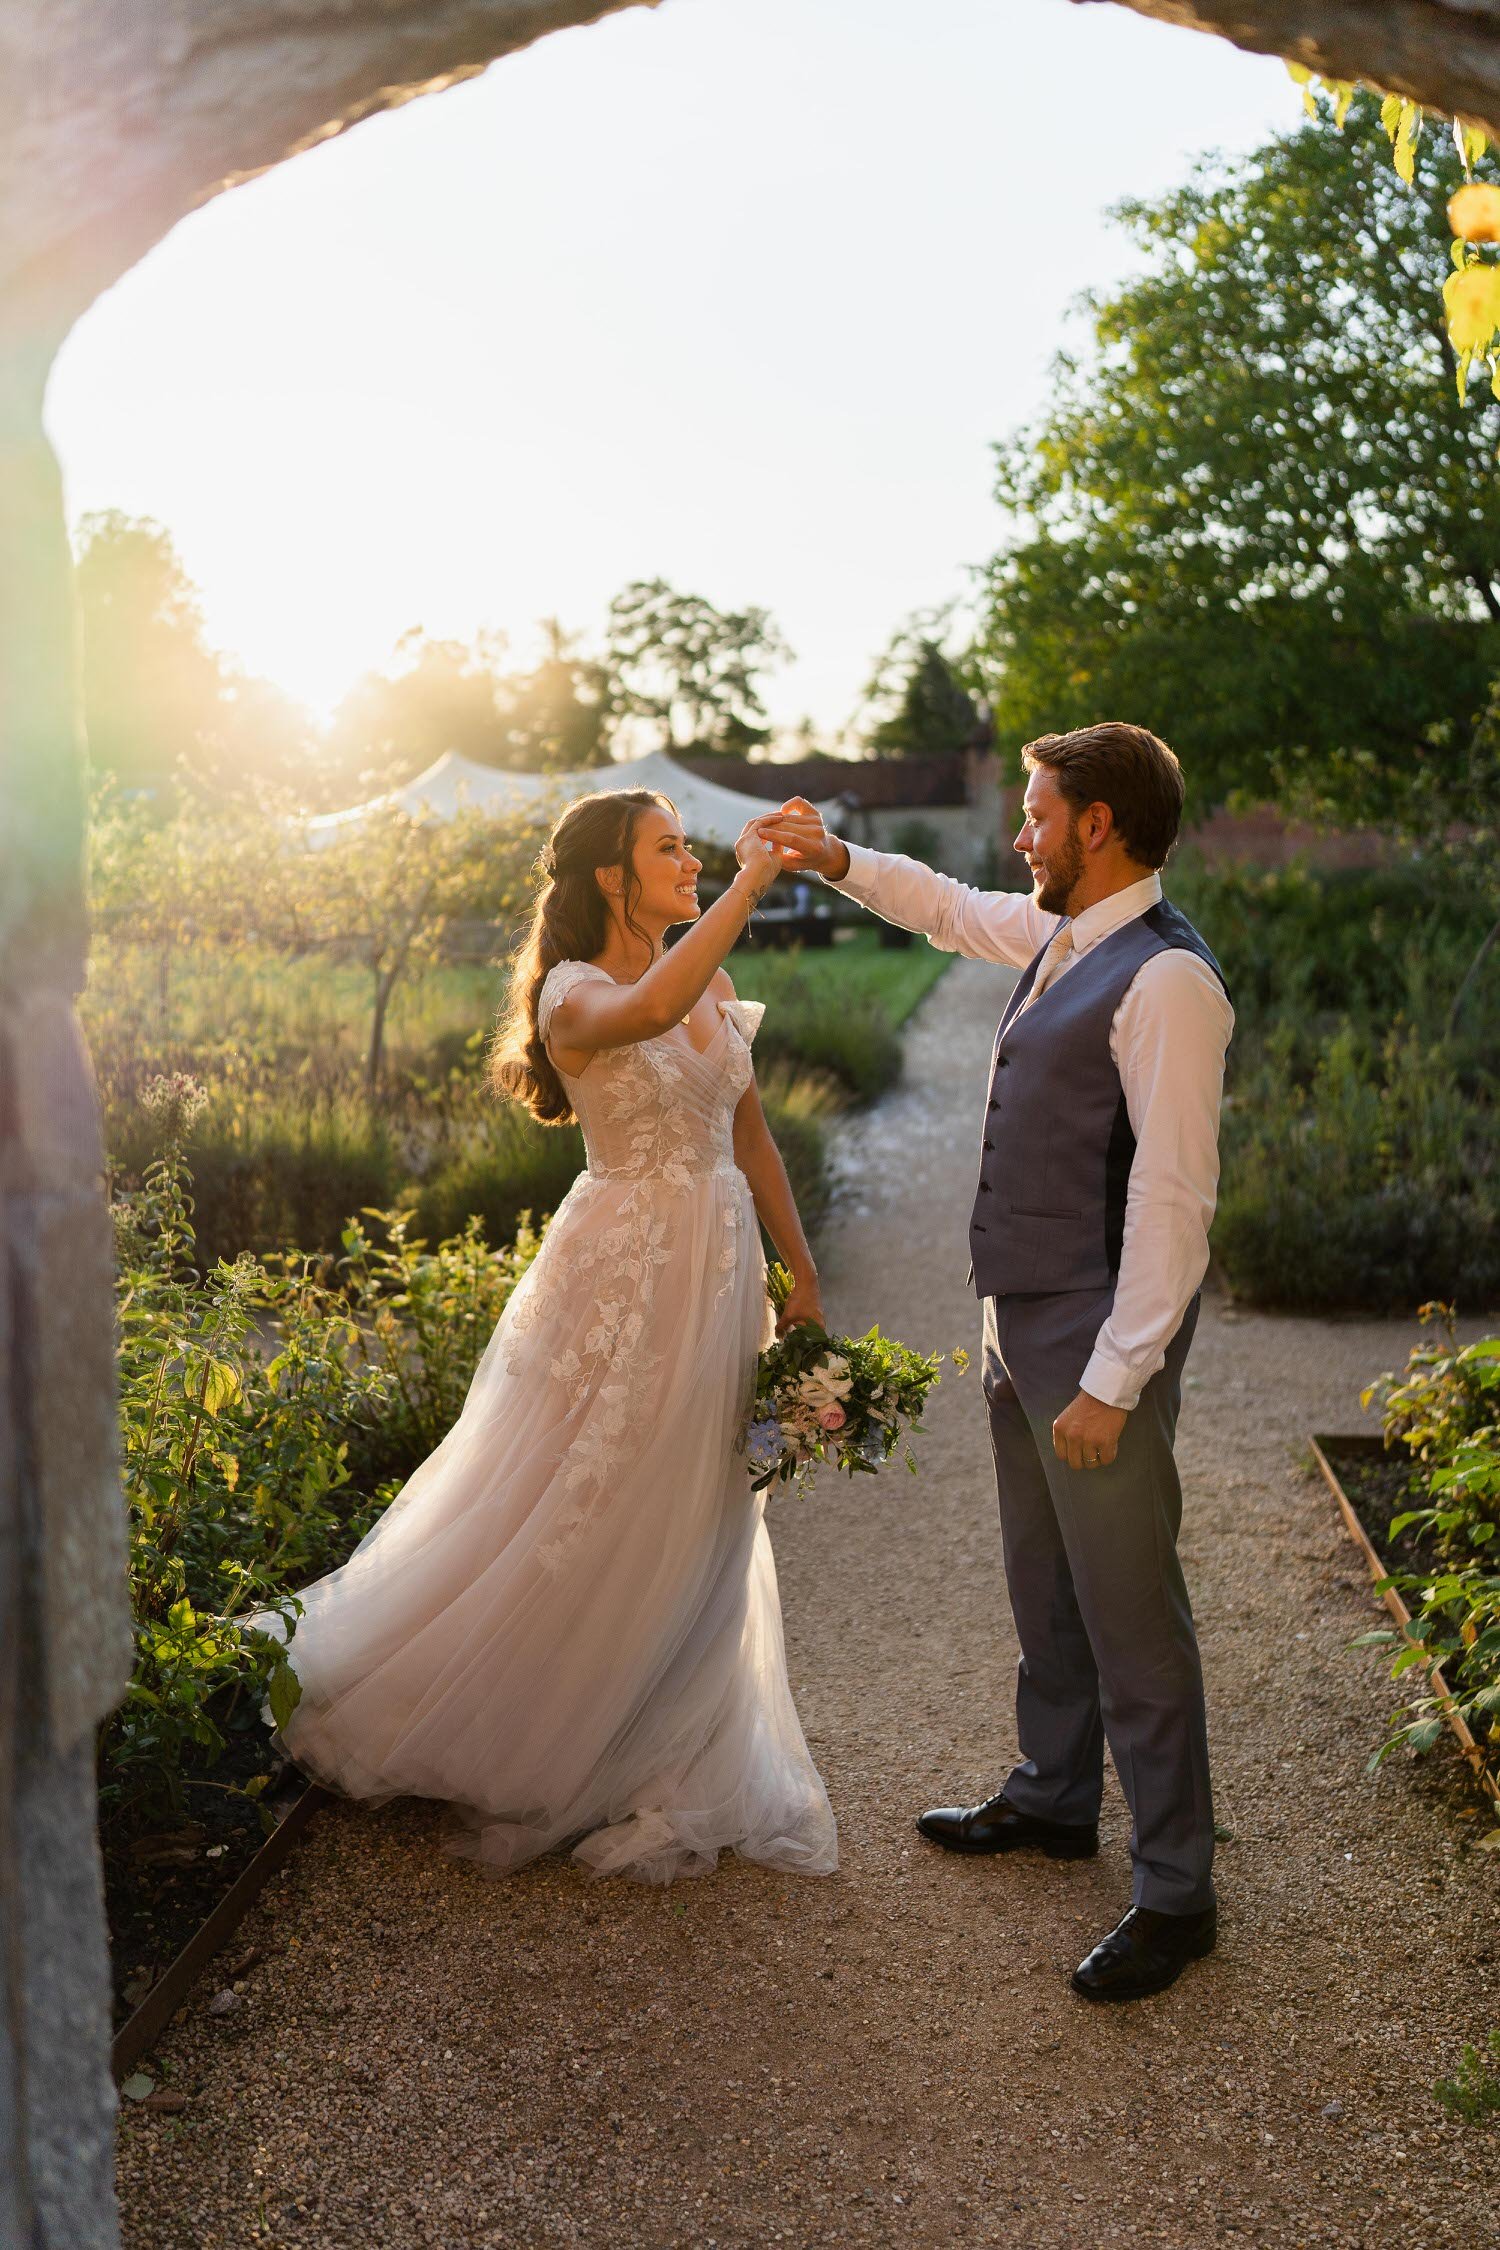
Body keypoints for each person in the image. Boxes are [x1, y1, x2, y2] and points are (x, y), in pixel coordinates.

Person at [248, 788, 837, 1886]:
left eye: (694, 853)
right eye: (669, 849)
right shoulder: (576, 995)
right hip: (625, 1277)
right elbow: (650, 1012)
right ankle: (525, 1720)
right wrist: (756, 883)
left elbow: (751, 1139)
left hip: (719, 1276)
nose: (693, 863)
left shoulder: (712, 979)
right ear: (612, 877)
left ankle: (671, 1729)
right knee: (593, 1490)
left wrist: (802, 1276)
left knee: (701, 1499)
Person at [760, 723, 1232, 2001]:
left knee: (1133, 1613)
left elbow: (1175, 1206)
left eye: (1035, 814)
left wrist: (1113, 1379)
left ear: (1098, 825)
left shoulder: (1168, 982)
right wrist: (842, 856)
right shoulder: (1064, 936)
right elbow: (954, 910)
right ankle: (1054, 1795)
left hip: (1092, 1349)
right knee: (1046, 1587)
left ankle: (1178, 1893)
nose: (1017, 835)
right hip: (1023, 1326)